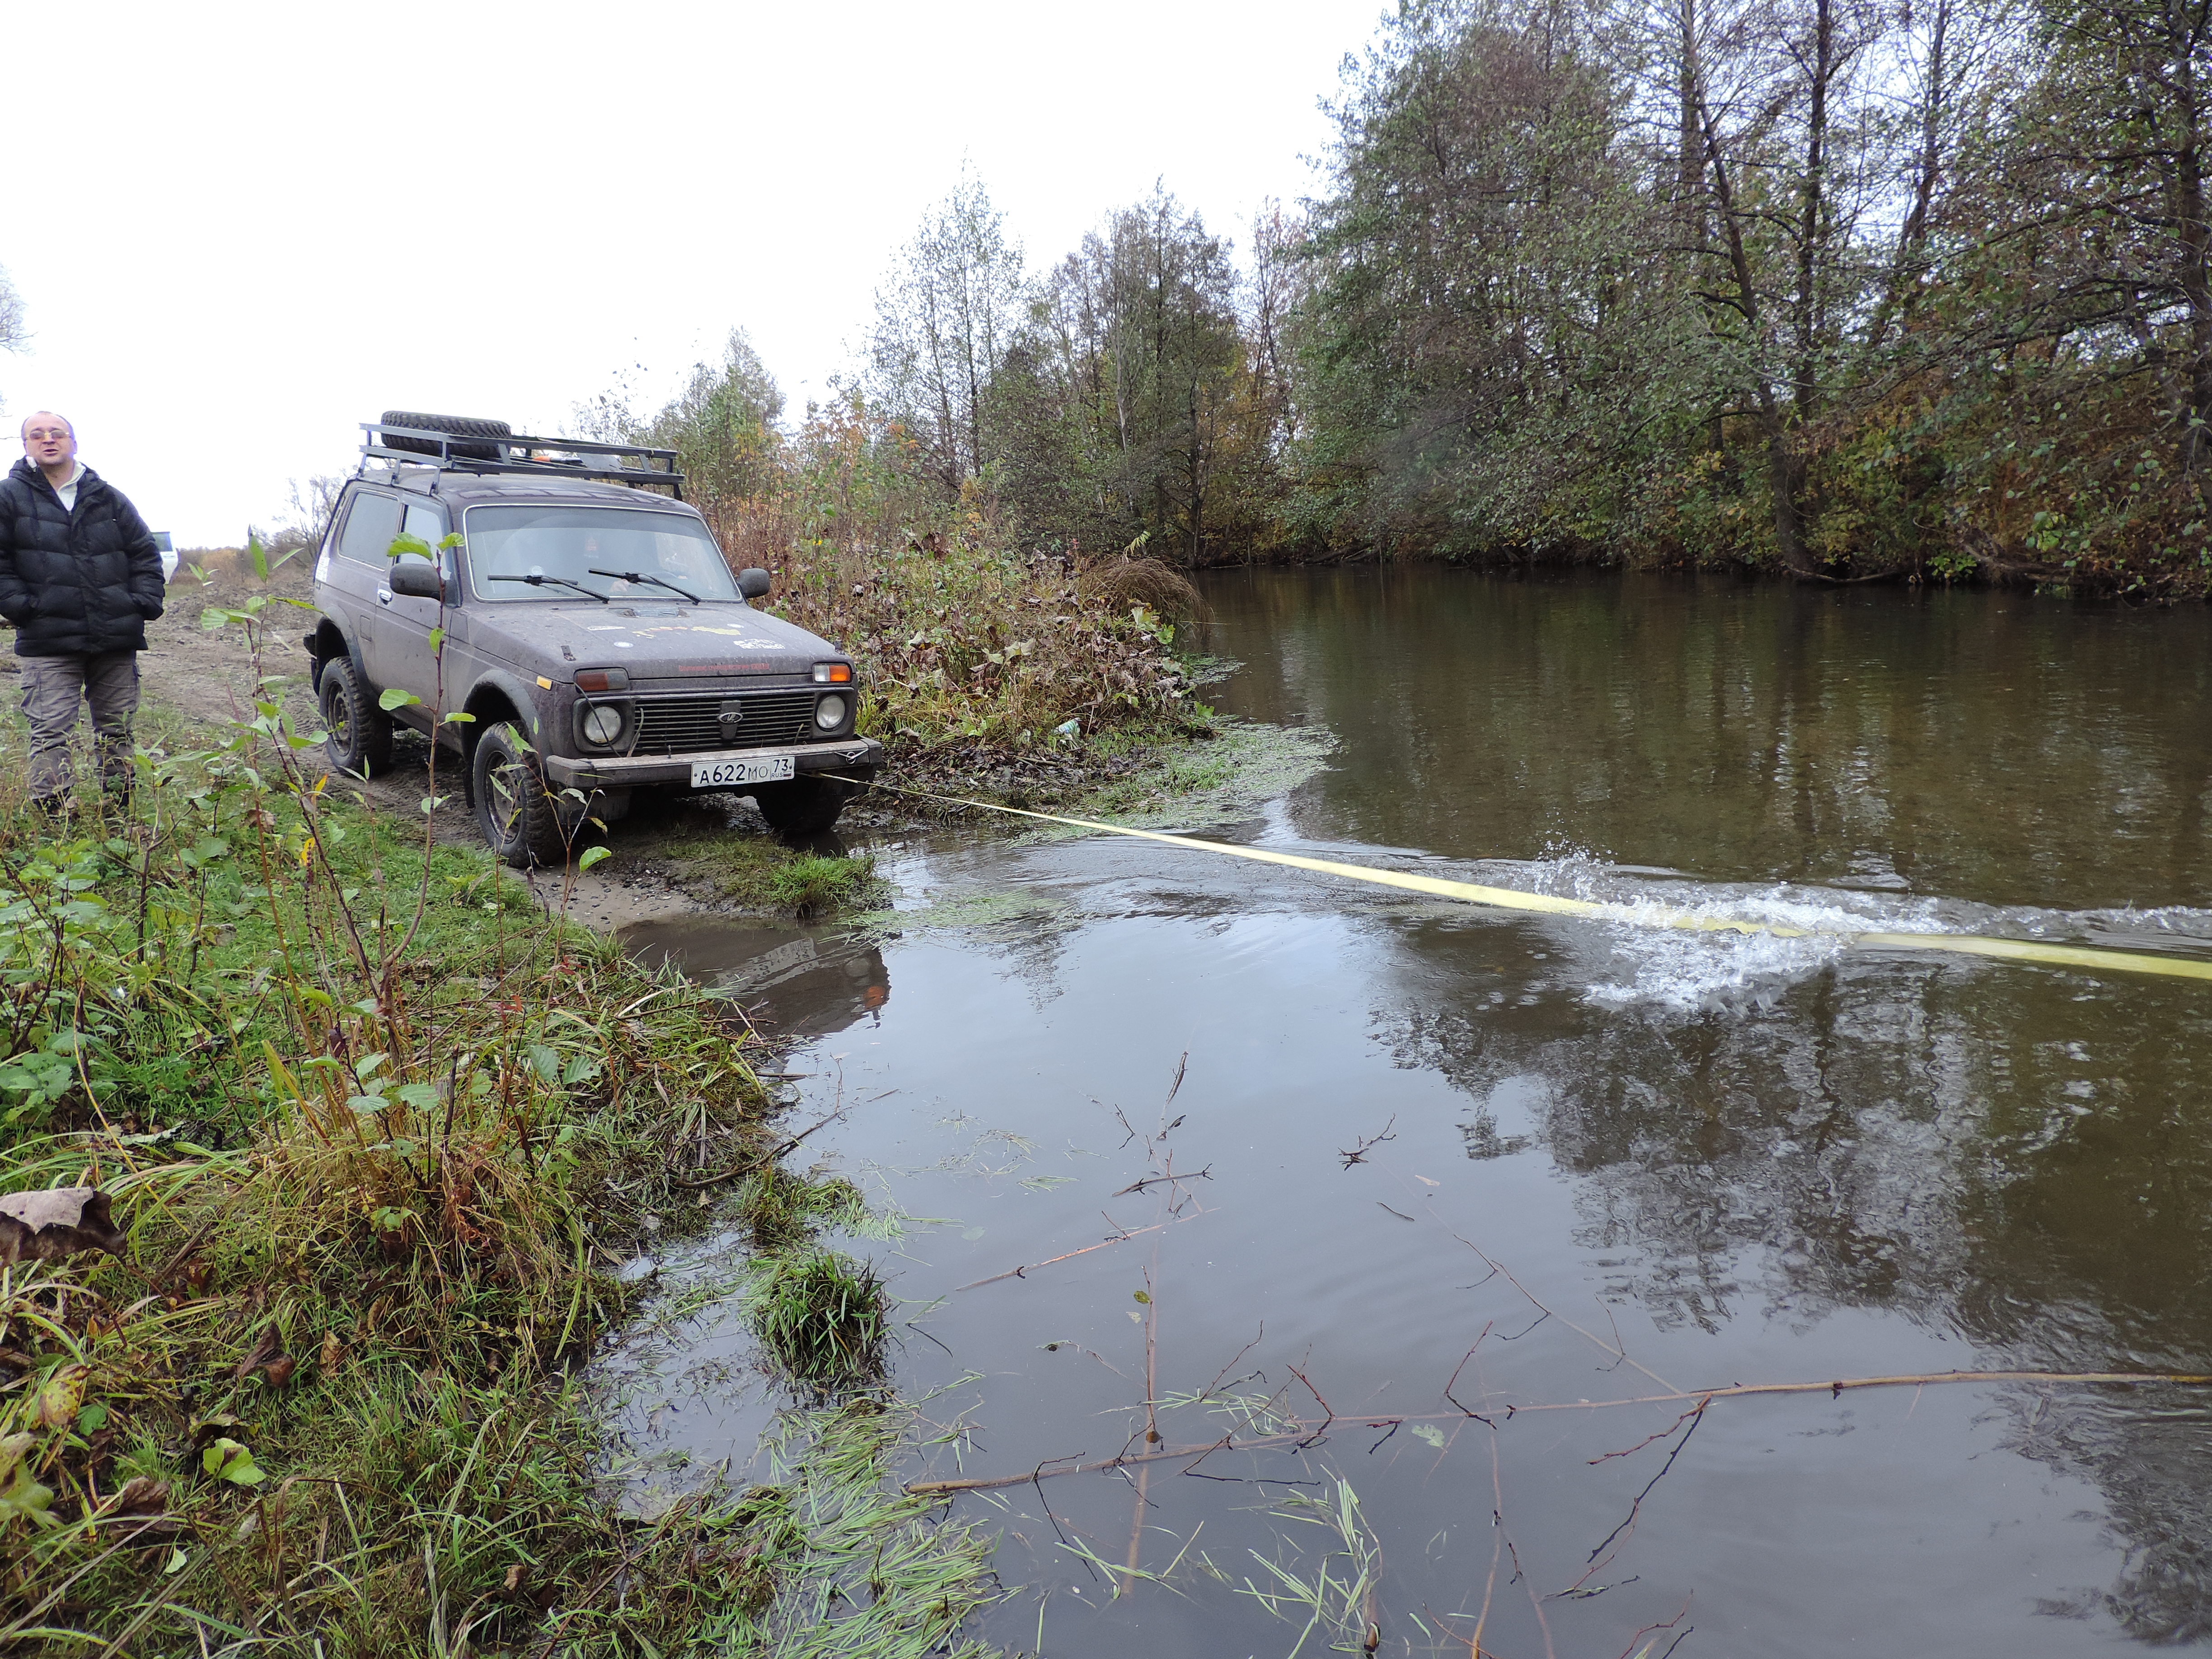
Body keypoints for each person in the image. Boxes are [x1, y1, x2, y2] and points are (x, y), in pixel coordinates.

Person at [0, 412, 165, 815]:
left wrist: (141, 602)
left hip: (114, 638)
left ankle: (119, 813)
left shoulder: (107, 496)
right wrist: (23, 608)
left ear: (73, 442)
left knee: (117, 730)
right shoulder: (8, 497)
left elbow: (145, 554)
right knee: (50, 730)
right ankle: (56, 818)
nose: (48, 439)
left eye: (57, 433)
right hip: (47, 641)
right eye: (37, 435)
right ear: (26, 446)